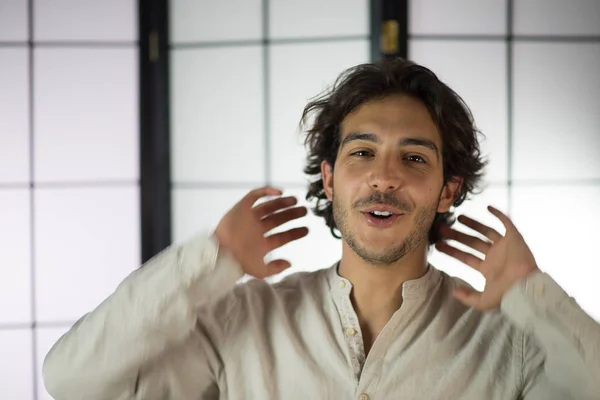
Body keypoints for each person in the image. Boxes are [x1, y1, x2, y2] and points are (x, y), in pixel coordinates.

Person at [42, 58, 600, 400]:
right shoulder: (244, 321)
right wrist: (209, 261)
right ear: (330, 180)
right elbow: (73, 381)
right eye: (362, 153)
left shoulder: (510, 341)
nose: (383, 177)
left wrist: (532, 293)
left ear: (447, 190)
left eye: (414, 159)